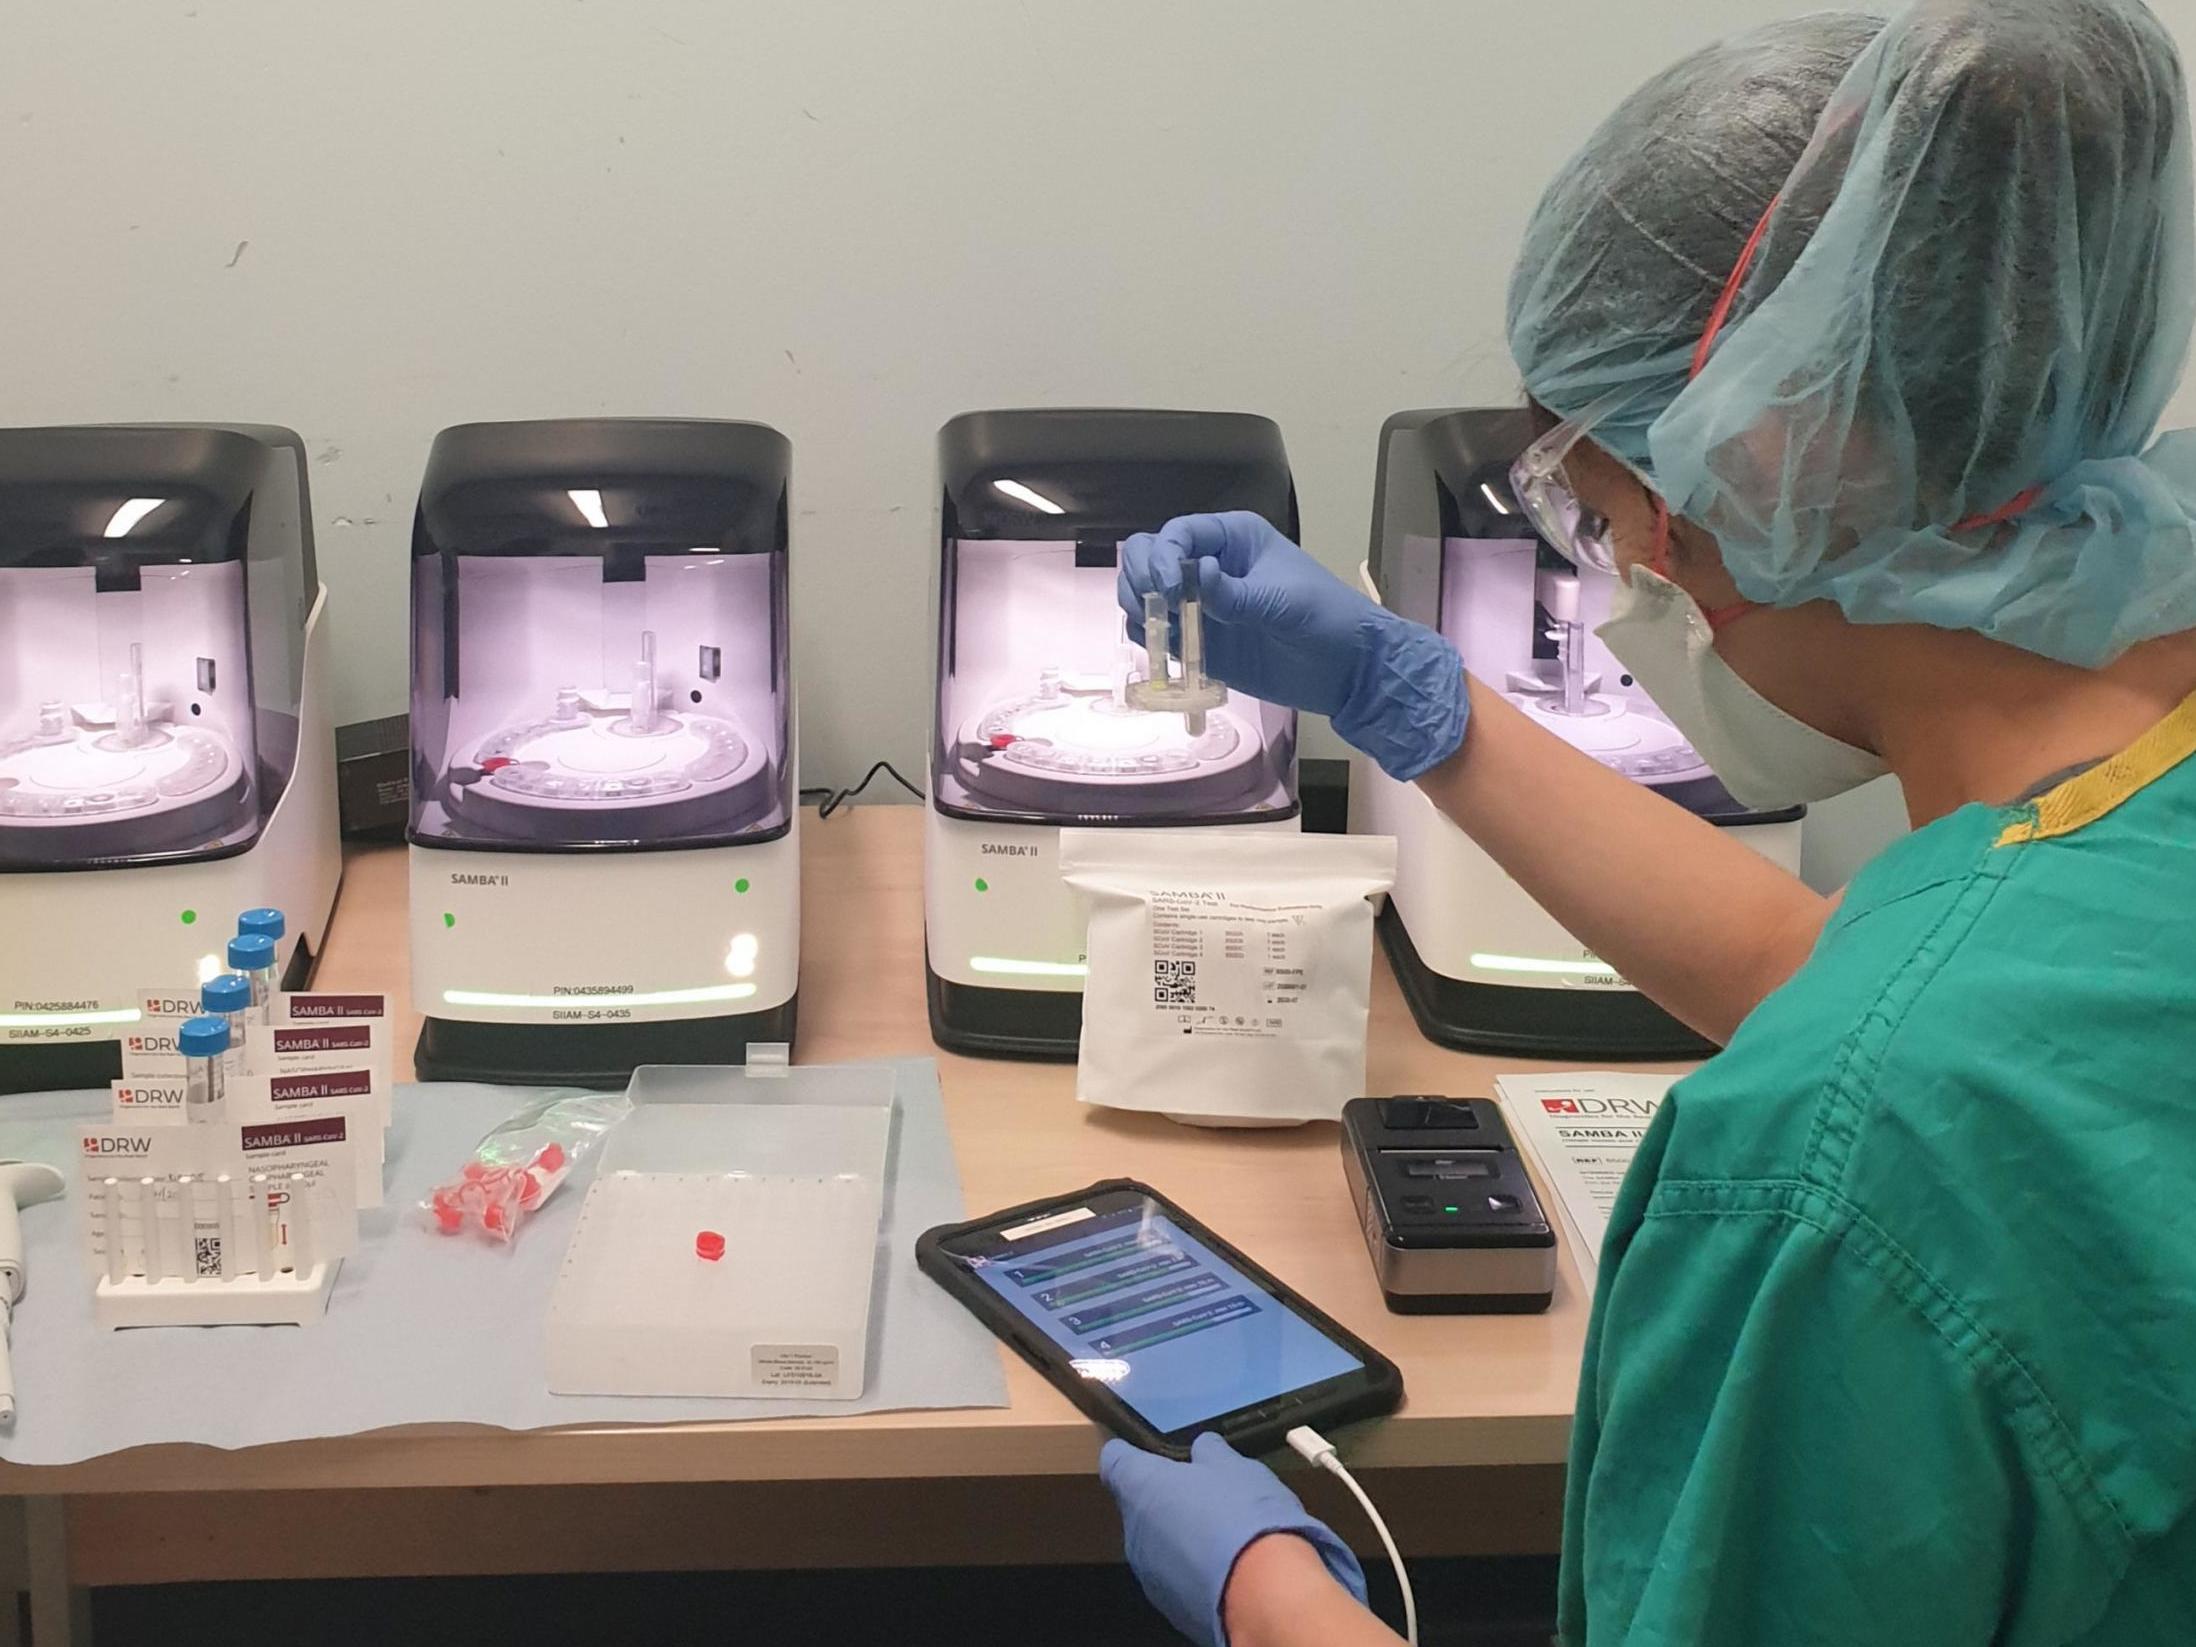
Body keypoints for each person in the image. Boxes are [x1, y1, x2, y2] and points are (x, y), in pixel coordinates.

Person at [1101, 2, 2196, 1643]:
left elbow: (1875, 1073)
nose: (1631, 586)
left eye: (1603, 517)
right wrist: (1419, 702)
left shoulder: (1836, 1172)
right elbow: (1857, 978)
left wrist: (1273, 1602)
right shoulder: (2101, 839)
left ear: (1766, 462)